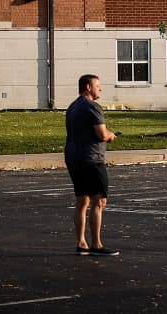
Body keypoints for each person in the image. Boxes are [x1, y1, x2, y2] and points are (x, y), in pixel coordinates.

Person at [65, 74, 119, 256]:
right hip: (91, 159)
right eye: (98, 85)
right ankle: (96, 244)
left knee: (82, 200)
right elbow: (102, 134)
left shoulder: (73, 107)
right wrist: (112, 136)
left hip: (74, 158)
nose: (100, 88)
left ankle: (81, 243)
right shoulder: (93, 106)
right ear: (88, 87)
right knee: (99, 200)